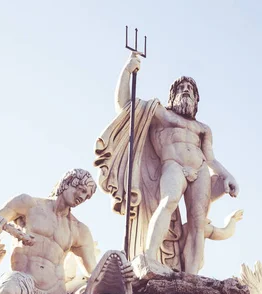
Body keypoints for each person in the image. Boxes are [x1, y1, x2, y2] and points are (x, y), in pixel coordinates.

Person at [95, 53, 238, 274]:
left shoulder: (203, 128)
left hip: (200, 170)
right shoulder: (161, 114)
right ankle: (149, 257)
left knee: (198, 223)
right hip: (173, 165)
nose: (186, 90)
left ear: (197, 100)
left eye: (191, 89)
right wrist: (127, 71)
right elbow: (125, 106)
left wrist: (228, 175)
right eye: (182, 88)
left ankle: (190, 275)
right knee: (168, 202)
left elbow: (210, 159)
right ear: (173, 95)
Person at [0, 168, 99, 294]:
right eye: (81, 189)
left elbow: (94, 273)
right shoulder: (28, 204)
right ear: (67, 183)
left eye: (86, 195)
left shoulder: (79, 230)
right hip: (24, 282)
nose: (82, 197)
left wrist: (120, 275)